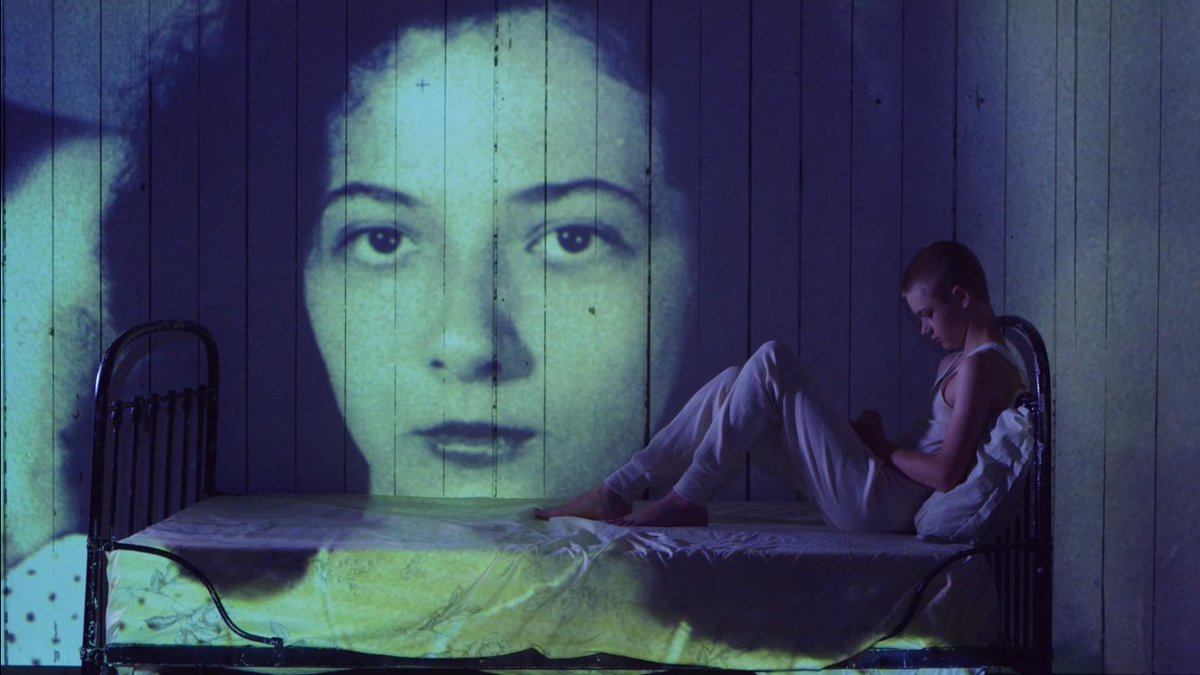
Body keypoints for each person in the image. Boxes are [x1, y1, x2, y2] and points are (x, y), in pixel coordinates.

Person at [96, 0, 699, 502]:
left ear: (704, 264)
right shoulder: (122, 593)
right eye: (383, 240)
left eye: (573, 239)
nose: (469, 344)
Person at [536, 240, 1026, 530]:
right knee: (733, 385)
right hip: (876, 488)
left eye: (928, 314)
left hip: (879, 507)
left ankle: (684, 499)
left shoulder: (982, 366)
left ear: (961, 297)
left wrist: (880, 445)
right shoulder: (962, 360)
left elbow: (945, 474)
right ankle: (618, 488)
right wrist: (875, 446)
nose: (924, 329)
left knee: (772, 359)